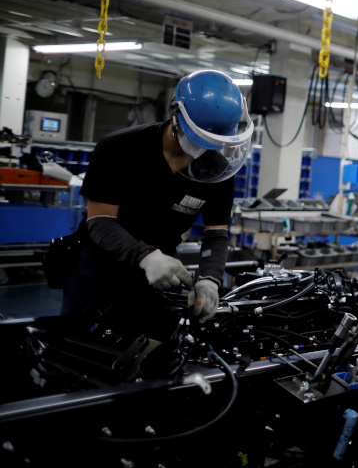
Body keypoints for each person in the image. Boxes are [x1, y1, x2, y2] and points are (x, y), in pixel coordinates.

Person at [62, 70, 253, 328]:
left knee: (158, 352)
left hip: (165, 271)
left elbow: (216, 234)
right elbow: (100, 222)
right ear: (176, 117)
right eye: (201, 138)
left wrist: (209, 279)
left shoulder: (218, 169)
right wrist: (147, 257)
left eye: (215, 141)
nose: (206, 148)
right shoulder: (119, 148)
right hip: (101, 269)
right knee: (82, 350)